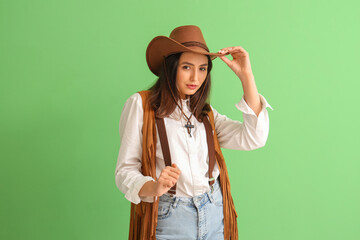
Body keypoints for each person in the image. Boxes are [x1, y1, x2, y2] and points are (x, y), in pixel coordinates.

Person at [115, 25, 273, 240]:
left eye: (202, 69)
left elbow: (254, 137)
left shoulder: (205, 114)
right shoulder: (141, 105)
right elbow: (125, 171)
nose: (195, 78)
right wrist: (154, 186)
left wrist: (246, 76)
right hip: (170, 216)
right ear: (171, 67)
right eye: (186, 67)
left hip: (214, 209)